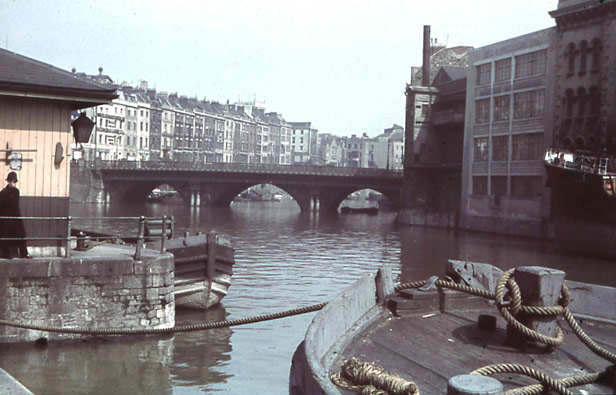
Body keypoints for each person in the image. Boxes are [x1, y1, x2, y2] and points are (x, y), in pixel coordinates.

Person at [0, 171, 31, 259]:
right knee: (5, 235)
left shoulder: (15, 192)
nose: (13, 183)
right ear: (8, 181)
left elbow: (14, 205)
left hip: (15, 217)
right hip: (6, 218)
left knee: (21, 235)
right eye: (11, 181)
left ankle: (24, 253)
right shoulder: (3, 192)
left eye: (14, 182)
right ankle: (6, 254)